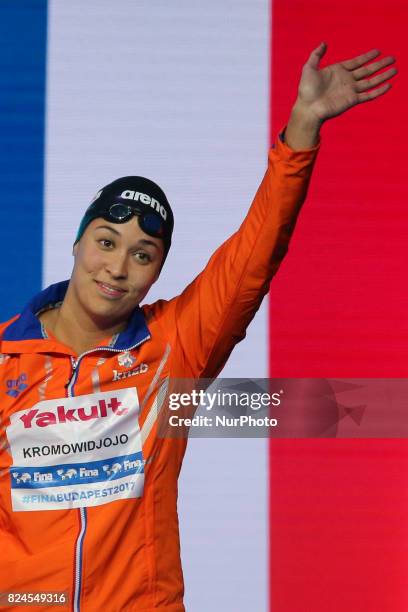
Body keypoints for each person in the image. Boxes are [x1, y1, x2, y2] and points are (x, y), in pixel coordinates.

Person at [0, 43, 396, 611]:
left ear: (158, 270)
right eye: (106, 243)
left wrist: (301, 130)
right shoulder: (4, 358)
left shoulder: (172, 347)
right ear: (78, 242)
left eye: (142, 254)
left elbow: (251, 260)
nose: (116, 267)